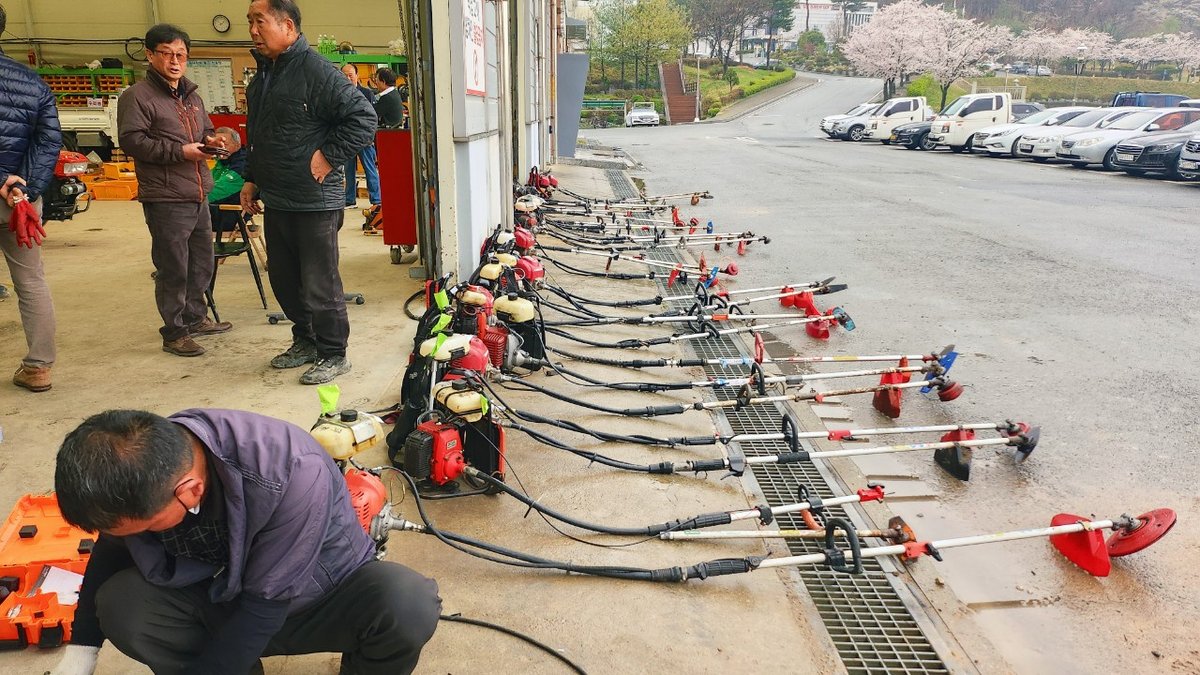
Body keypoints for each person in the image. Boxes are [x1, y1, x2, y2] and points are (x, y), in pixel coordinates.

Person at [50, 408, 441, 675]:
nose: (133, 536)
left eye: (143, 527)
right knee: (122, 604)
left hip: (313, 597)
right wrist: (81, 652)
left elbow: (263, 609)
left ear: (190, 490)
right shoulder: (146, 471)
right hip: (221, 594)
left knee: (406, 604)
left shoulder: (290, 472)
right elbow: (111, 548)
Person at [240, 0, 377, 385]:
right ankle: (306, 340)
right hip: (278, 196)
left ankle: (333, 352)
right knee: (285, 280)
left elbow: (364, 118)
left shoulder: (316, 71)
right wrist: (252, 178)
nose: (253, 30)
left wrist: (328, 156)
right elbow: (259, 134)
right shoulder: (263, 78)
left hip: (314, 200)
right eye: (249, 22)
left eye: (260, 21)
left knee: (320, 284)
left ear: (287, 26)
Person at [118, 24, 232, 358]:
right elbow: (132, 141)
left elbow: (205, 129)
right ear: (150, 55)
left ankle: (195, 318)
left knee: (202, 262)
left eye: (181, 55)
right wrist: (180, 152)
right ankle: (174, 332)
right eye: (166, 54)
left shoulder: (192, 96)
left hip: (197, 192)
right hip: (166, 195)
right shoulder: (137, 96)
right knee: (173, 267)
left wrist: (212, 140)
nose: (174, 61)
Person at [0, 2, 61, 393]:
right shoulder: (32, 82)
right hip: (17, 203)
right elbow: (49, 141)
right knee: (31, 281)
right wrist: (25, 188)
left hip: (12, 194)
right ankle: (39, 367)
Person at [340, 64, 381, 207]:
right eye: (344, 75)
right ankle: (349, 199)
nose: (347, 78)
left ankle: (376, 200)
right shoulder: (338, 93)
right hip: (347, 139)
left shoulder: (367, 93)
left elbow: (372, 117)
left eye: (350, 75)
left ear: (357, 76)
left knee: (370, 169)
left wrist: (370, 137)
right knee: (348, 171)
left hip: (364, 139)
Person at [207, 127, 247, 234]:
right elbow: (205, 183)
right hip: (216, 210)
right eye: (217, 145)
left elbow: (215, 192)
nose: (221, 148)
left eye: (225, 144)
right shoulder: (222, 162)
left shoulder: (241, 167)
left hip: (230, 216)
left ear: (237, 145)